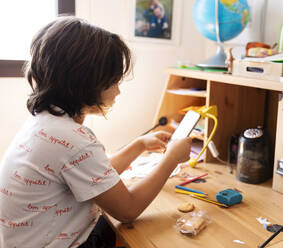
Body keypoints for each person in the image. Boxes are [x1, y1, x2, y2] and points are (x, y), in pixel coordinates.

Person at [0, 16, 191, 248]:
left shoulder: (44, 123)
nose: (118, 91)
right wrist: (171, 158)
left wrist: (138, 146)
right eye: (113, 82)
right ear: (85, 82)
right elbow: (128, 209)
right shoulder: (72, 140)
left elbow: (96, 176)